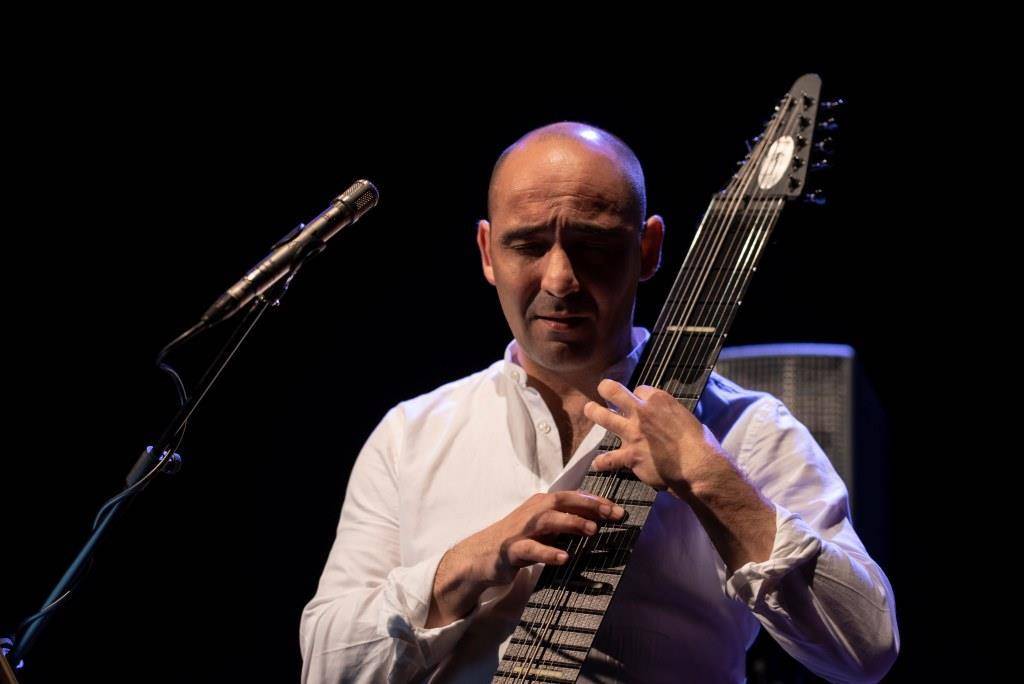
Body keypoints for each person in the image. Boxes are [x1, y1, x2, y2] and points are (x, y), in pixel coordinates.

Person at [299, 122, 900, 683]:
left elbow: (867, 649)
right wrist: (465, 566)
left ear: (648, 248)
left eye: (593, 245)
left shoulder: (746, 429)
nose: (559, 279)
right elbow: (325, 666)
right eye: (528, 245)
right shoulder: (410, 435)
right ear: (487, 252)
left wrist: (709, 478)